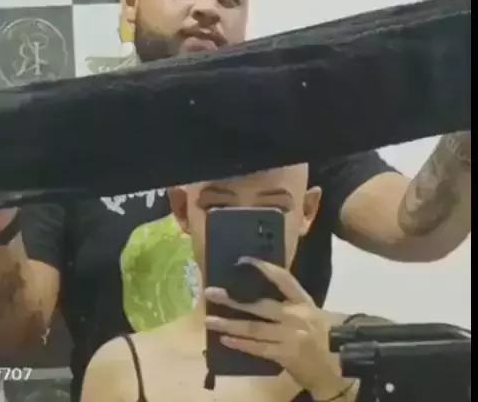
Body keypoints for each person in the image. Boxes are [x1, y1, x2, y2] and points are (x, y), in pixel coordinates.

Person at [0, 0, 471, 400]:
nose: (207, 7)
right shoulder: (76, 141)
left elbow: (416, 229)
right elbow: (17, 328)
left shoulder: (299, 129)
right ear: (131, 1)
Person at [80, 164, 386, 402]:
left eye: (273, 210)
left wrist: (328, 383)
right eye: (220, 208)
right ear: (182, 209)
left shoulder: (370, 348)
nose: (244, 228)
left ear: (307, 211)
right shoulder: (120, 369)